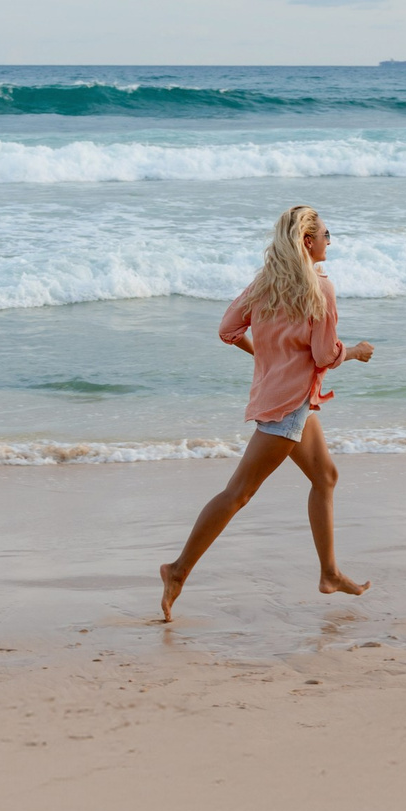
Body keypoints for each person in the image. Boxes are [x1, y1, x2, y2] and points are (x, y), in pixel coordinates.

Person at [158, 205, 374, 620]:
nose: (330, 242)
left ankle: (329, 573)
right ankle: (178, 570)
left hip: (284, 397)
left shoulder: (265, 282)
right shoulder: (321, 289)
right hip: (288, 406)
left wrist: (267, 358)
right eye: (327, 235)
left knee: (325, 477)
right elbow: (324, 355)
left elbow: (227, 330)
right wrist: (355, 352)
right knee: (238, 492)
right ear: (308, 242)